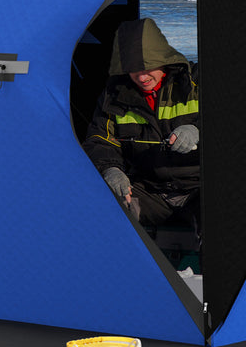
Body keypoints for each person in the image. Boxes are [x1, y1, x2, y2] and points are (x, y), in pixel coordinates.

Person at [82, 18, 200, 228]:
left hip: (200, 189)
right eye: (134, 69)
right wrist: (111, 169)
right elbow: (99, 140)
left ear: (164, 59)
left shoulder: (197, 81)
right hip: (150, 191)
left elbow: (236, 123)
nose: (142, 76)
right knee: (99, 212)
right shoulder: (114, 94)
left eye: (149, 67)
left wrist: (197, 130)